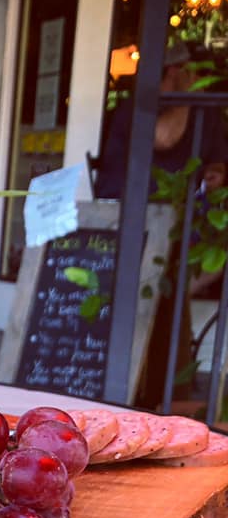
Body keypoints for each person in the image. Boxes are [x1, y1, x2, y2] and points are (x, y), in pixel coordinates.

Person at [95, 43, 228, 410]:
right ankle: (136, 383)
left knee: (175, 289)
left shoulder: (206, 115)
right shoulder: (132, 110)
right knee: (136, 291)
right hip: (133, 226)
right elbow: (146, 149)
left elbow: (217, 164)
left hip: (187, 228)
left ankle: (168, 390)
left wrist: (214, 175)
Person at [95, 41, 228, 200]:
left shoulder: (207, 111)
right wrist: (186, 95)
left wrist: (215, 172)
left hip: (182, 211)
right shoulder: (138, 104)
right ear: (174, 71)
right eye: (200, 71)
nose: (205, 78)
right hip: (127, 207)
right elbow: (162, 139)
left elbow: (217, 157)